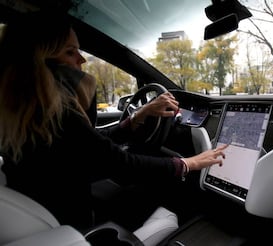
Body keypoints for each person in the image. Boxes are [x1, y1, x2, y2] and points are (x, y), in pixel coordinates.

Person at [0, 10, 227, 232]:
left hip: (53, 209)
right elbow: (119, 165)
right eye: (70, 52)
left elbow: (89, 146)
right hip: (72, 223)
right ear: (40, 62)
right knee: (170, 193)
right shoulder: (54, 112)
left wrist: (138, 116)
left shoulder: (24, 113)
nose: (81, 60)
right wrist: (190, 163)